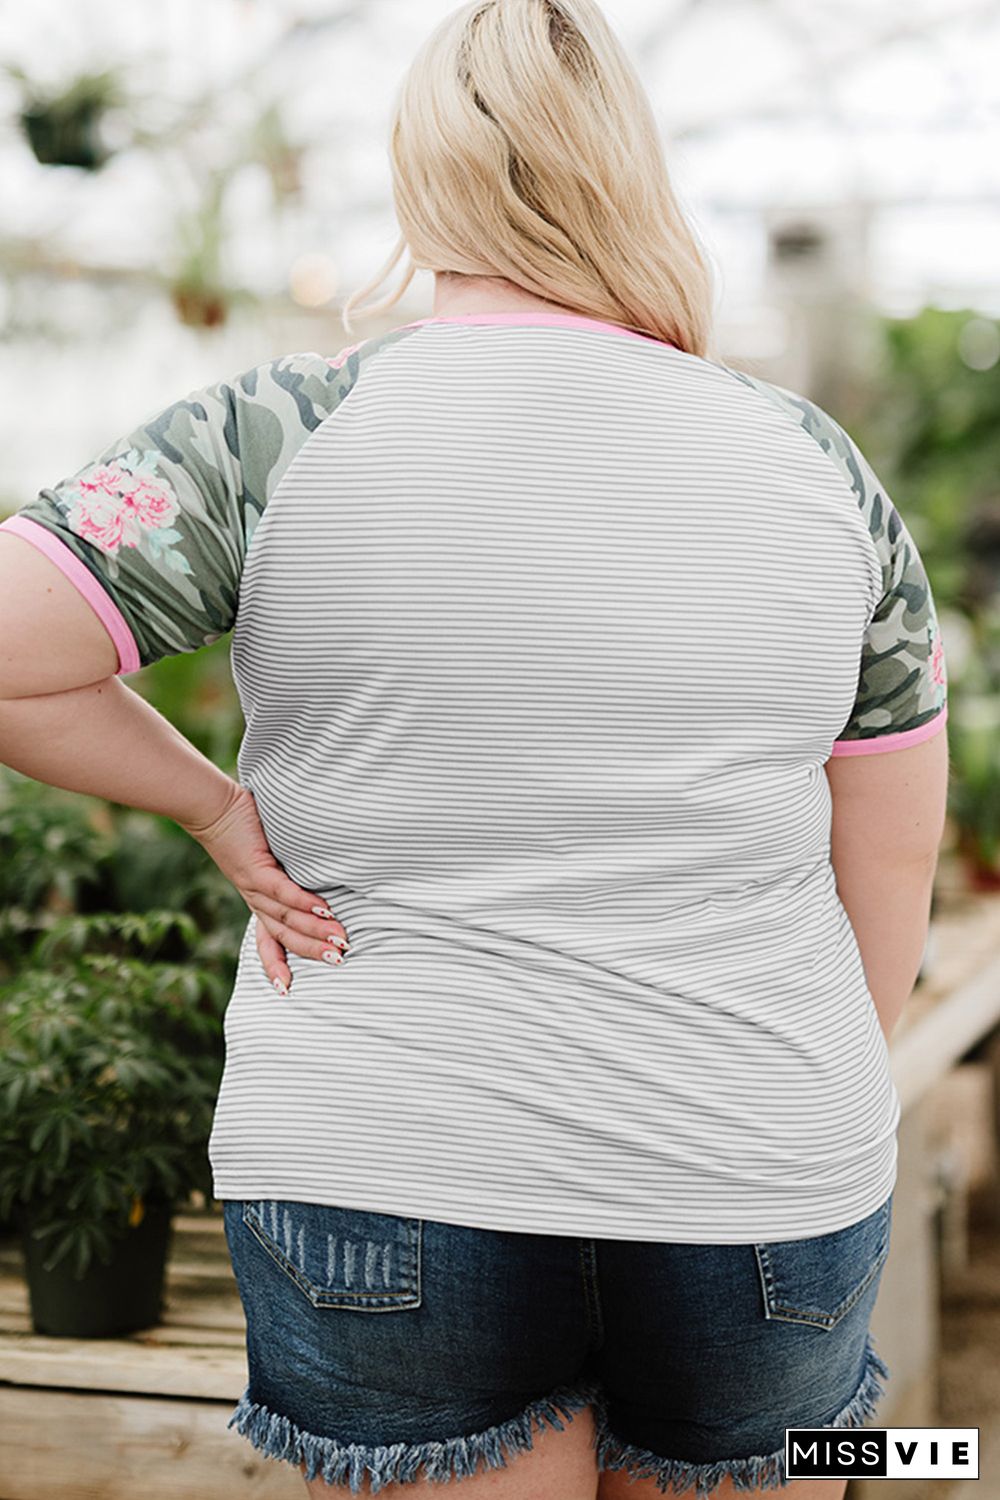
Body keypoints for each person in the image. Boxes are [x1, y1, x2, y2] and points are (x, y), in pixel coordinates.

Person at [0, 1, 949, 1497]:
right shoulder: (816, 469)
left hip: (379, 1164)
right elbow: (889, 851)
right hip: (758, 1173)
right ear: (635, 176)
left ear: (418, 179)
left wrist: (210, 810)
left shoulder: (276, 437)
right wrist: (797, 1087)